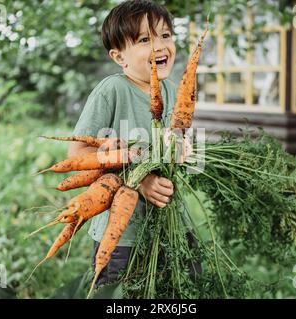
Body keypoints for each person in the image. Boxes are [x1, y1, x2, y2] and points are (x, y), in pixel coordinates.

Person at [68, 0, 199, 287]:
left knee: (188, 290)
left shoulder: (175, 90)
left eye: (165, 35)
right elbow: (79, 154)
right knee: (121, 297)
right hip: (122, 237)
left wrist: (184, 152)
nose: (160, 45)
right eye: (144, 39)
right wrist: (139, 180)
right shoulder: (112, 91)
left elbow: (179, 146)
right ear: (119, 57)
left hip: (175, 226)